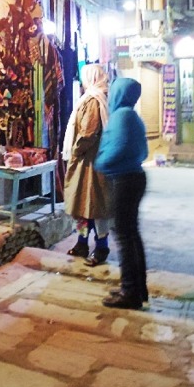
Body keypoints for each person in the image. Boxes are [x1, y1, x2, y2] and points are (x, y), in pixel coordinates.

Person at [95, 78, 149, 310]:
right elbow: (143, 151)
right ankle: (137, 289)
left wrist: (101, 163)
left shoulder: (121, 117)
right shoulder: (133, 116)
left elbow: (117, 149)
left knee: (125, 236)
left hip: (125, 180)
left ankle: (130, 292)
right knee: (131, 235)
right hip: (133, 177)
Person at [61, 64, 112, 266]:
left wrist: (75, 151)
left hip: (89, 163)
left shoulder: (93, 100)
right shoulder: (98, 98)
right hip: (88, 161)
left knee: (95, 207)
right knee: (83, 206)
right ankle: (82, 243)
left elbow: (88, 133)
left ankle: (101, 248)